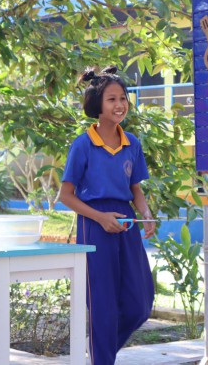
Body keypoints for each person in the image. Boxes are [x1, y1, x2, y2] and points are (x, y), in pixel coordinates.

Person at [59, 66, 155, 365]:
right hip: (94, 225)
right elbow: (66, 196)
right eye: (112, 99)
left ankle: (100, 353)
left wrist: (146, 213)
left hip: (126, 222)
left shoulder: (132, 143)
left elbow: (135, 188)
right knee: (103, 306)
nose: (120, 104)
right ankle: (101, 358)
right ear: (97, 105)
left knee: (140, 304)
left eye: (123, 98)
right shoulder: (83, 145)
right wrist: (100, 218)